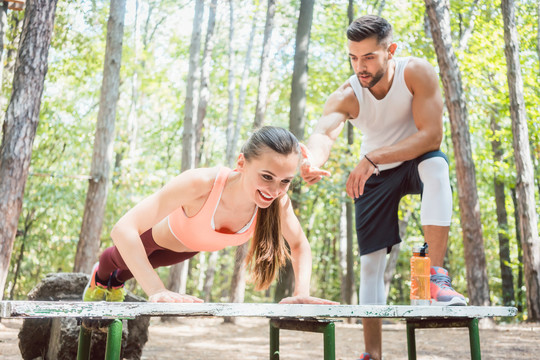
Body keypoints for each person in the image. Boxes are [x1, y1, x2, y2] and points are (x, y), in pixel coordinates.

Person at [299, 15, 467, 360]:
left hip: (413, 160)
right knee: (370, 264)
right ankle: (372, 355)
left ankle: (435, 277)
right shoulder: (349, 93)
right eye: (353, 58)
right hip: (374, 175)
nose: (360, 66)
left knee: (436, 166)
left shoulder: (416, 72)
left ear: (390, 51)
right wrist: (312, 160)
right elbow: (323, 131)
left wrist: (374, 156)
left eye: (369, 57)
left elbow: (431, 135)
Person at [83, 126, 338, 306]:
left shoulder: (279, 203)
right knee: (120, 261)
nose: (274, 190)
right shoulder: (201, 182)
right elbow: (123, 229)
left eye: (285, 181)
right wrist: (157, 291)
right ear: (242, 163)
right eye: (267, 177)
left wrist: (301, 293)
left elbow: (299, 244)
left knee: (138, 269)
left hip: (190, 247)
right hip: (155, 236)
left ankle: (116, 282)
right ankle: (101, 276)